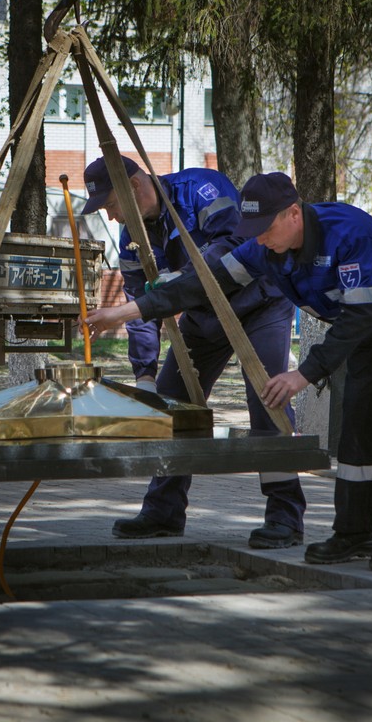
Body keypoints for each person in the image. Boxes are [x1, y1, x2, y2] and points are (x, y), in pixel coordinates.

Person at [99, 172, 372, 571]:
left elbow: (356, 319)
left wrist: (301, 375)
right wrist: (124, 311)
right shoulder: (263, 247)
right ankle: (354, 533)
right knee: (358, 413)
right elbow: (206, 283)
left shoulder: (349, 233)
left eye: (267, 228)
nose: (262, 240)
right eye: (255, 231)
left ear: (293, 213)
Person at [81, 156, 306, 549]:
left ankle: (285, 516)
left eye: (112, 204)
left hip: (259, 306)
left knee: (267, 402)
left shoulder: (204, 189)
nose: (113, 217)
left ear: (134, 186)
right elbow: (139, 305)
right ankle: (163, 512)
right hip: (204, 322)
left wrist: (179, 279)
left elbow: (234, 245)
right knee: (173, 407)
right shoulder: (131, 239)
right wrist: (145, 377)